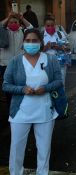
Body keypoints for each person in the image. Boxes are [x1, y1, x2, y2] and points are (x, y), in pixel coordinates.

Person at [2, 28, 63, 175]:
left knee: (44, 148)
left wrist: (46, 88)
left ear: (41, 42)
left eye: (34, 40)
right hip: (20, 112)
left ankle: (43, 172)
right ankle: (15, 172)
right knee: (16, 147)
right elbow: (5, 84)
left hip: (44, 110)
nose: (31, 43)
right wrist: (22, 89)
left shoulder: (51, 59)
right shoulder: (15, 61)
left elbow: (59, 81)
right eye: (28, 41)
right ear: (23, 43)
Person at [0, 12, 33, 106]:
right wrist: (8, 17)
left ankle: (21, 106)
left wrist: (22, 18)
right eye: (10, 22)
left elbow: (31, 28)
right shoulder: (3, 31)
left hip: (20, 64)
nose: (13, 24)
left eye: (15, 22)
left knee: (20, 86)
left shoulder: (23, 32)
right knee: (8, 88)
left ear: (19, 23)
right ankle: (11, 108)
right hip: (5, 65)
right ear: (7, 23)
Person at [43, 15, 71, 86]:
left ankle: (61, 97)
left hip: (61, 64)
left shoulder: (60, 34)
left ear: (55, 25)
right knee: (48, 84)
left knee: (61, 84)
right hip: (46, 65)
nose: (50, 27)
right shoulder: (41, 36)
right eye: (48, 26)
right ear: (45, 26)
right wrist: (46, 47)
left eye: (52, 25)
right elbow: (37, 51)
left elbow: (68, 48)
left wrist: (59, 47)